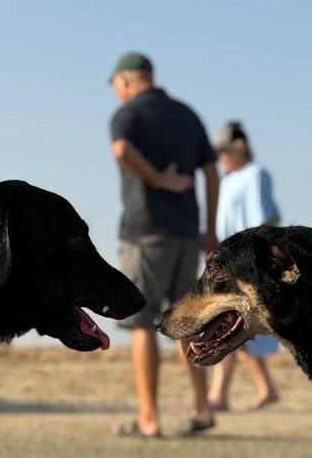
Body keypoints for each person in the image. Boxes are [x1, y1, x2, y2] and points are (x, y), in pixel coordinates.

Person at [108, 51, 219, 437]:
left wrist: (156, 180)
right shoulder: (187, 115)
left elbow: (121, 150)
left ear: (125, 80)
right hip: (187, 233)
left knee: (142, 322)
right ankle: (202, 409)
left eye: (116, 86)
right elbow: (211, 171)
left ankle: (149, 417)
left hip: (146, 232)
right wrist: (209, 228)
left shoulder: (128, 115)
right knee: (185, 321)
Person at [207, 121, 281, 412]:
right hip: (227, 259)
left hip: (246, 260)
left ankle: (220, 395)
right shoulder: (227, 180)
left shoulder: (255, 175)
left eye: (224, 151)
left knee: (233, 322)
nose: (221, 157)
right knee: (230, 322)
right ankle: (259, 389)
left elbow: (263, 219)